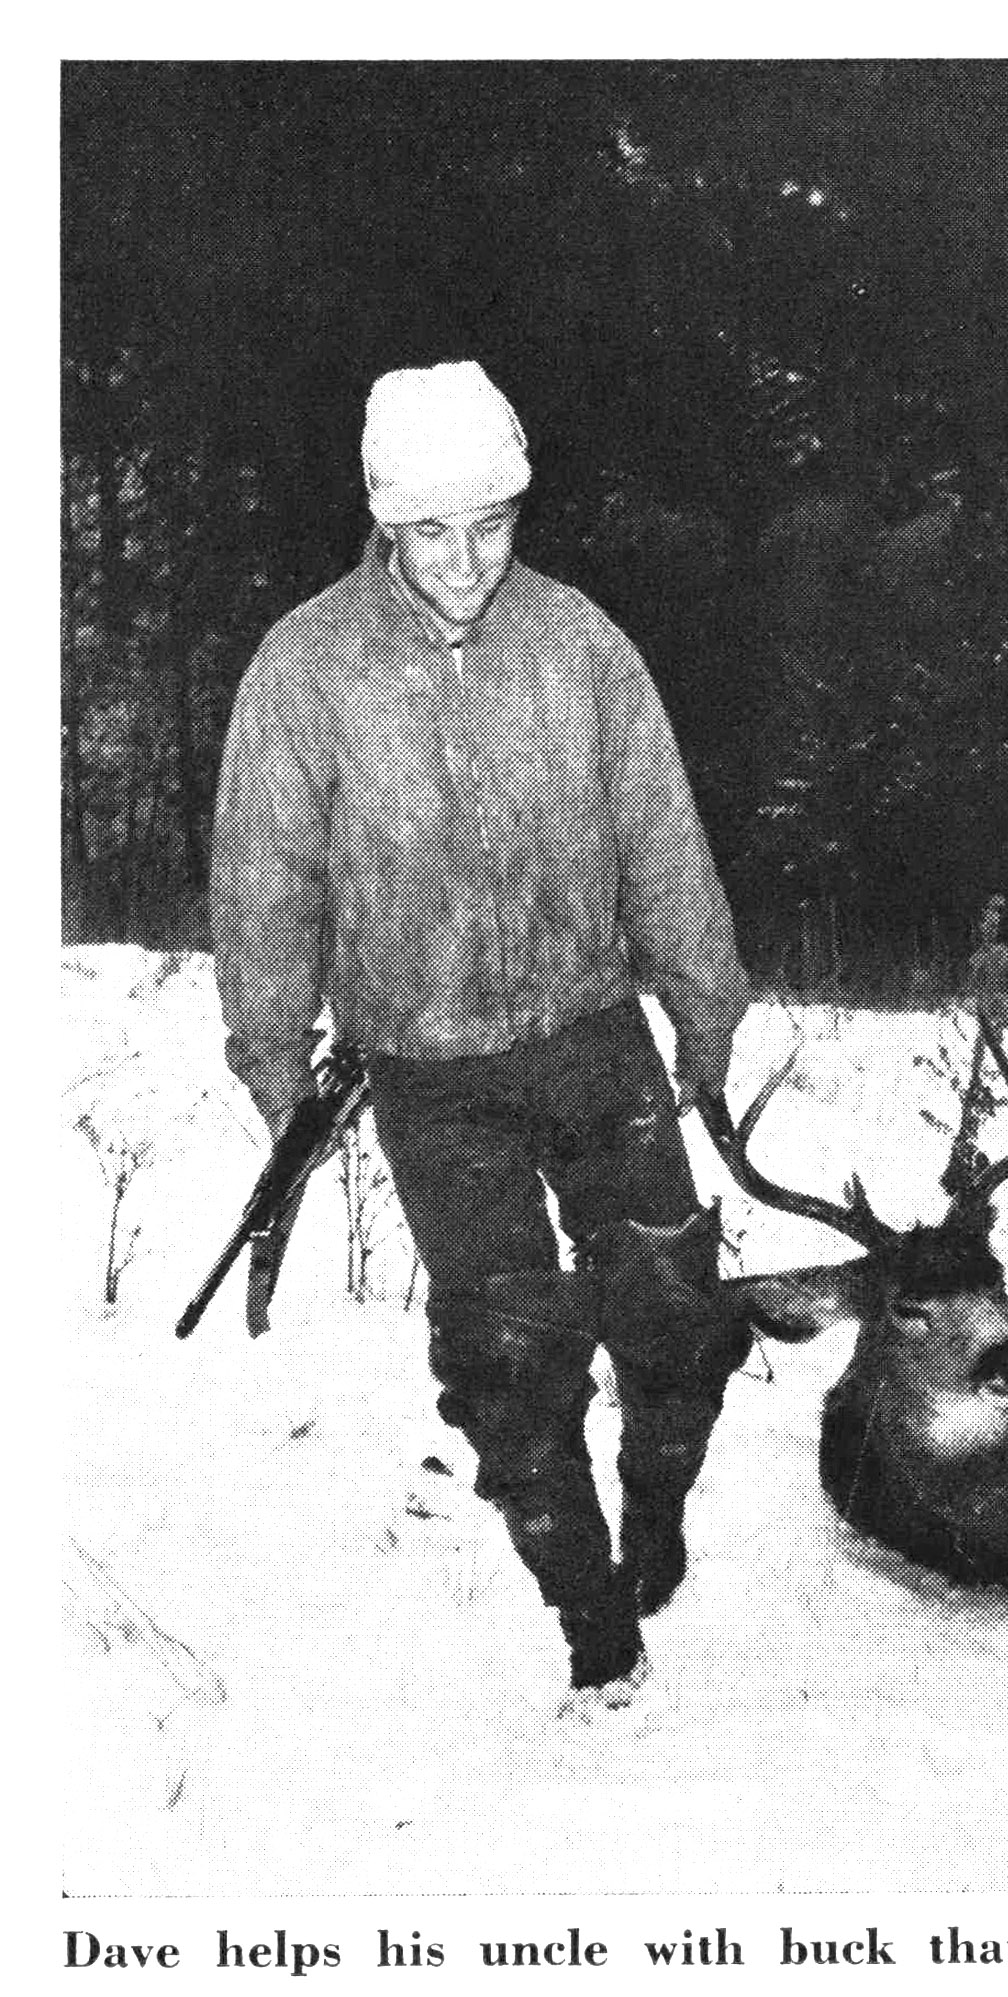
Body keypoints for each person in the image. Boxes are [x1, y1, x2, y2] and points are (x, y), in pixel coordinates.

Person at [211, 361, 750, 1711]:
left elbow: (660, 834)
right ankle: (593, 1625)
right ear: (386, 519)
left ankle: (657, 1510)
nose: (465, 562)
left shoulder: (579, 645)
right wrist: (275, 1052)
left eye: (491, 525)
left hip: (589, 1033)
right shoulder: (308, 667)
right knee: (509, 1357)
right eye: (433, 530)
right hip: (431, 1072)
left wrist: (704, 999)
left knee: (676, 1309)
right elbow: (265, 875)